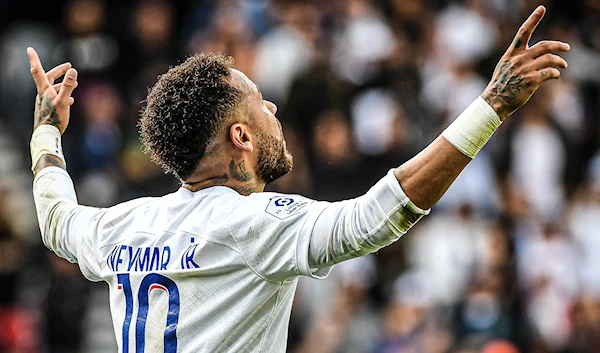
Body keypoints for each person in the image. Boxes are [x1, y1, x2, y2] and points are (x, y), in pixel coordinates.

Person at [28, 6, 569, 353]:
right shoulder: (252, 223)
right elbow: (379, 216)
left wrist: (47, 132)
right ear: (240, 137)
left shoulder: (123, 226)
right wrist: (491, 106)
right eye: (259, 101)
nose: (272, 105)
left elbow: (56, 220)